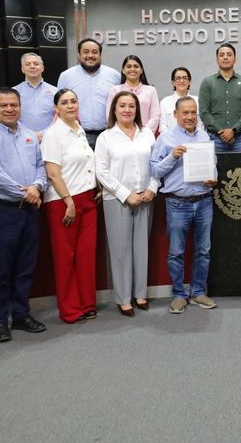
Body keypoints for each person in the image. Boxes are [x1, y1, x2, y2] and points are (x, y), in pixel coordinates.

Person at [0, 88, 49, 342]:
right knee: (1, 269)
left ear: (20, 107)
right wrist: (26, 193)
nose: (9, 109)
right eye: (3, 105)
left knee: (26, 266)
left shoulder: (29, 135)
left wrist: (37, 187)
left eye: (13, 105)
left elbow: (40, 166)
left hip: (29, 211)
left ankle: (20, 314)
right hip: (2, 212)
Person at [150, 97, 218, 314]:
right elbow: (155, 170)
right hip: (178, 204)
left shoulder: (204, 136)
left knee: (203, 251)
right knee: (176, 252)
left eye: (193, 112)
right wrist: (172, 156)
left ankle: (198, 292)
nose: (190, 117)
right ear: (175, 115)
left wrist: (213, 178)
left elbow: (213, 164)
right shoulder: (166, 138)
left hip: (204, 201)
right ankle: (179, 294)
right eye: (185, 113)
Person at [95, 92, 158, 317]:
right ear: (114, 109)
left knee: (141, 248)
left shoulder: (147, 134)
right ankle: (123, 298)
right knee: (120, 250)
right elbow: (101, 171)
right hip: (117, 199)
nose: (127, 110)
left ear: (137, 110)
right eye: (122, 106)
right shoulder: (106, 137)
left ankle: (140, 294)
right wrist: (125, 194)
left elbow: (156, 164)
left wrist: (152, 188)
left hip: (145, 197)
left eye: (131, 106)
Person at [41, 88, 98, 324]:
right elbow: (53, 173)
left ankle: (87, 303)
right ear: (56, 108)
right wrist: (69, 201)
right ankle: (70, 309)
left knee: (86, 255)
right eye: (64, 102)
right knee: (66, 257)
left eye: (73, 101)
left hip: (87, 199)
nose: (70, 105)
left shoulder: (79, 130)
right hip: (64, 202)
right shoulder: (53, 134)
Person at [56, 38, 121, 148]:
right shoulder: (66, 76)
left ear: (100, 55)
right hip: (76, 134)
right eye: (86, 52)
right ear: (79, 55)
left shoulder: (114, 76)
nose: (90, 55)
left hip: (110, 134)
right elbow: (59, 108)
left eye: (94, 52)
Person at [198, 42, 241, 151]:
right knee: (214, 163)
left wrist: (233, 130)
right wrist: (222, 132)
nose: (225, 57)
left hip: (239, 140)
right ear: (217, 60)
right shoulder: (207, 82)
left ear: (235, 59)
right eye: (221, 55)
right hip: (215, 139)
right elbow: (204, 112)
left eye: (229, 54)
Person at [107, 55, 161, 134]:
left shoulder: (151, 90)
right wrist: (121, 133)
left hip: (145, 135)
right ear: (123, 70)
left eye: (136, 66)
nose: (132, 69)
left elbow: (155, 116)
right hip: (119, 134)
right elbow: (110, 114)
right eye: (129, 66)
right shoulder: (115, 90)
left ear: (141, 70)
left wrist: (144, 133)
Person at [14, 52, 58, 141]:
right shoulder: (14, 92)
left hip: (50, 139)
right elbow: (12, 116)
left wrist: (43, 134)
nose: (32, 66)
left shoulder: (55, 91)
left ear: (42, 68)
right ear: (22, 69)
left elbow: (58, 116)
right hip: (22, 139)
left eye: (36, 64)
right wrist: (28, 134)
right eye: (28, 64)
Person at [159, 66, 202, 133]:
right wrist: (171, 139)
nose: (181, 81)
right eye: (178, 78)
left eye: (185, 78)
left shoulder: (198, 101)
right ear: (173, 82)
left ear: (189, 82)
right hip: (171, 138)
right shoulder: (165, 102)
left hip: (193, 138)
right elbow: (163, 127)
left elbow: (200, 125)